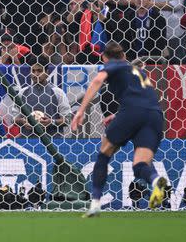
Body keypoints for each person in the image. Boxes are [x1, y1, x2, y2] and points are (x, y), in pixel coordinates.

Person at [71, 41, 170, 217]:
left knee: (104, 154)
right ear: (125, 56)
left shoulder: (113, 65)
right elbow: (145, 99)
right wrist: (118, 116)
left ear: (104, 58)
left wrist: (81, 110)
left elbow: (97, 81)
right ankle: (156, 181)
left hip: (131, 112)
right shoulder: (138, 71)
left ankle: (95, 203)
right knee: (140, 165)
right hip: (154, 115)